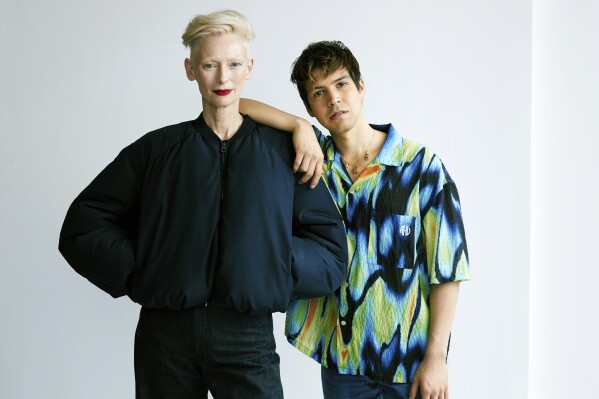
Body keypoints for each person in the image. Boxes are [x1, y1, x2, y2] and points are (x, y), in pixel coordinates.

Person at [58, 12, 348, 399]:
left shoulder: (284, 154)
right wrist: (143, 269)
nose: (223, 78)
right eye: (210, 65)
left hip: (246, 335)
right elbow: (84, 224)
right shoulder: (157, 151)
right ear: (191, 69)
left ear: (249, 68)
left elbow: (330, 250)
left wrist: (271, 264)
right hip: (165, 337)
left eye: (233, 65)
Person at [240, 40, 470, 399]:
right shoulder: (312, 163)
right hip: (342, 364)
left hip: (408, 364)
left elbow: (448, 269)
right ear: (311, 108)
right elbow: (235, 108)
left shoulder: (421, 168)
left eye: (342, 84)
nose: (334, 99)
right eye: (319, 92)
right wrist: (297, 127)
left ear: (361, 88)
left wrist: (437, 358)